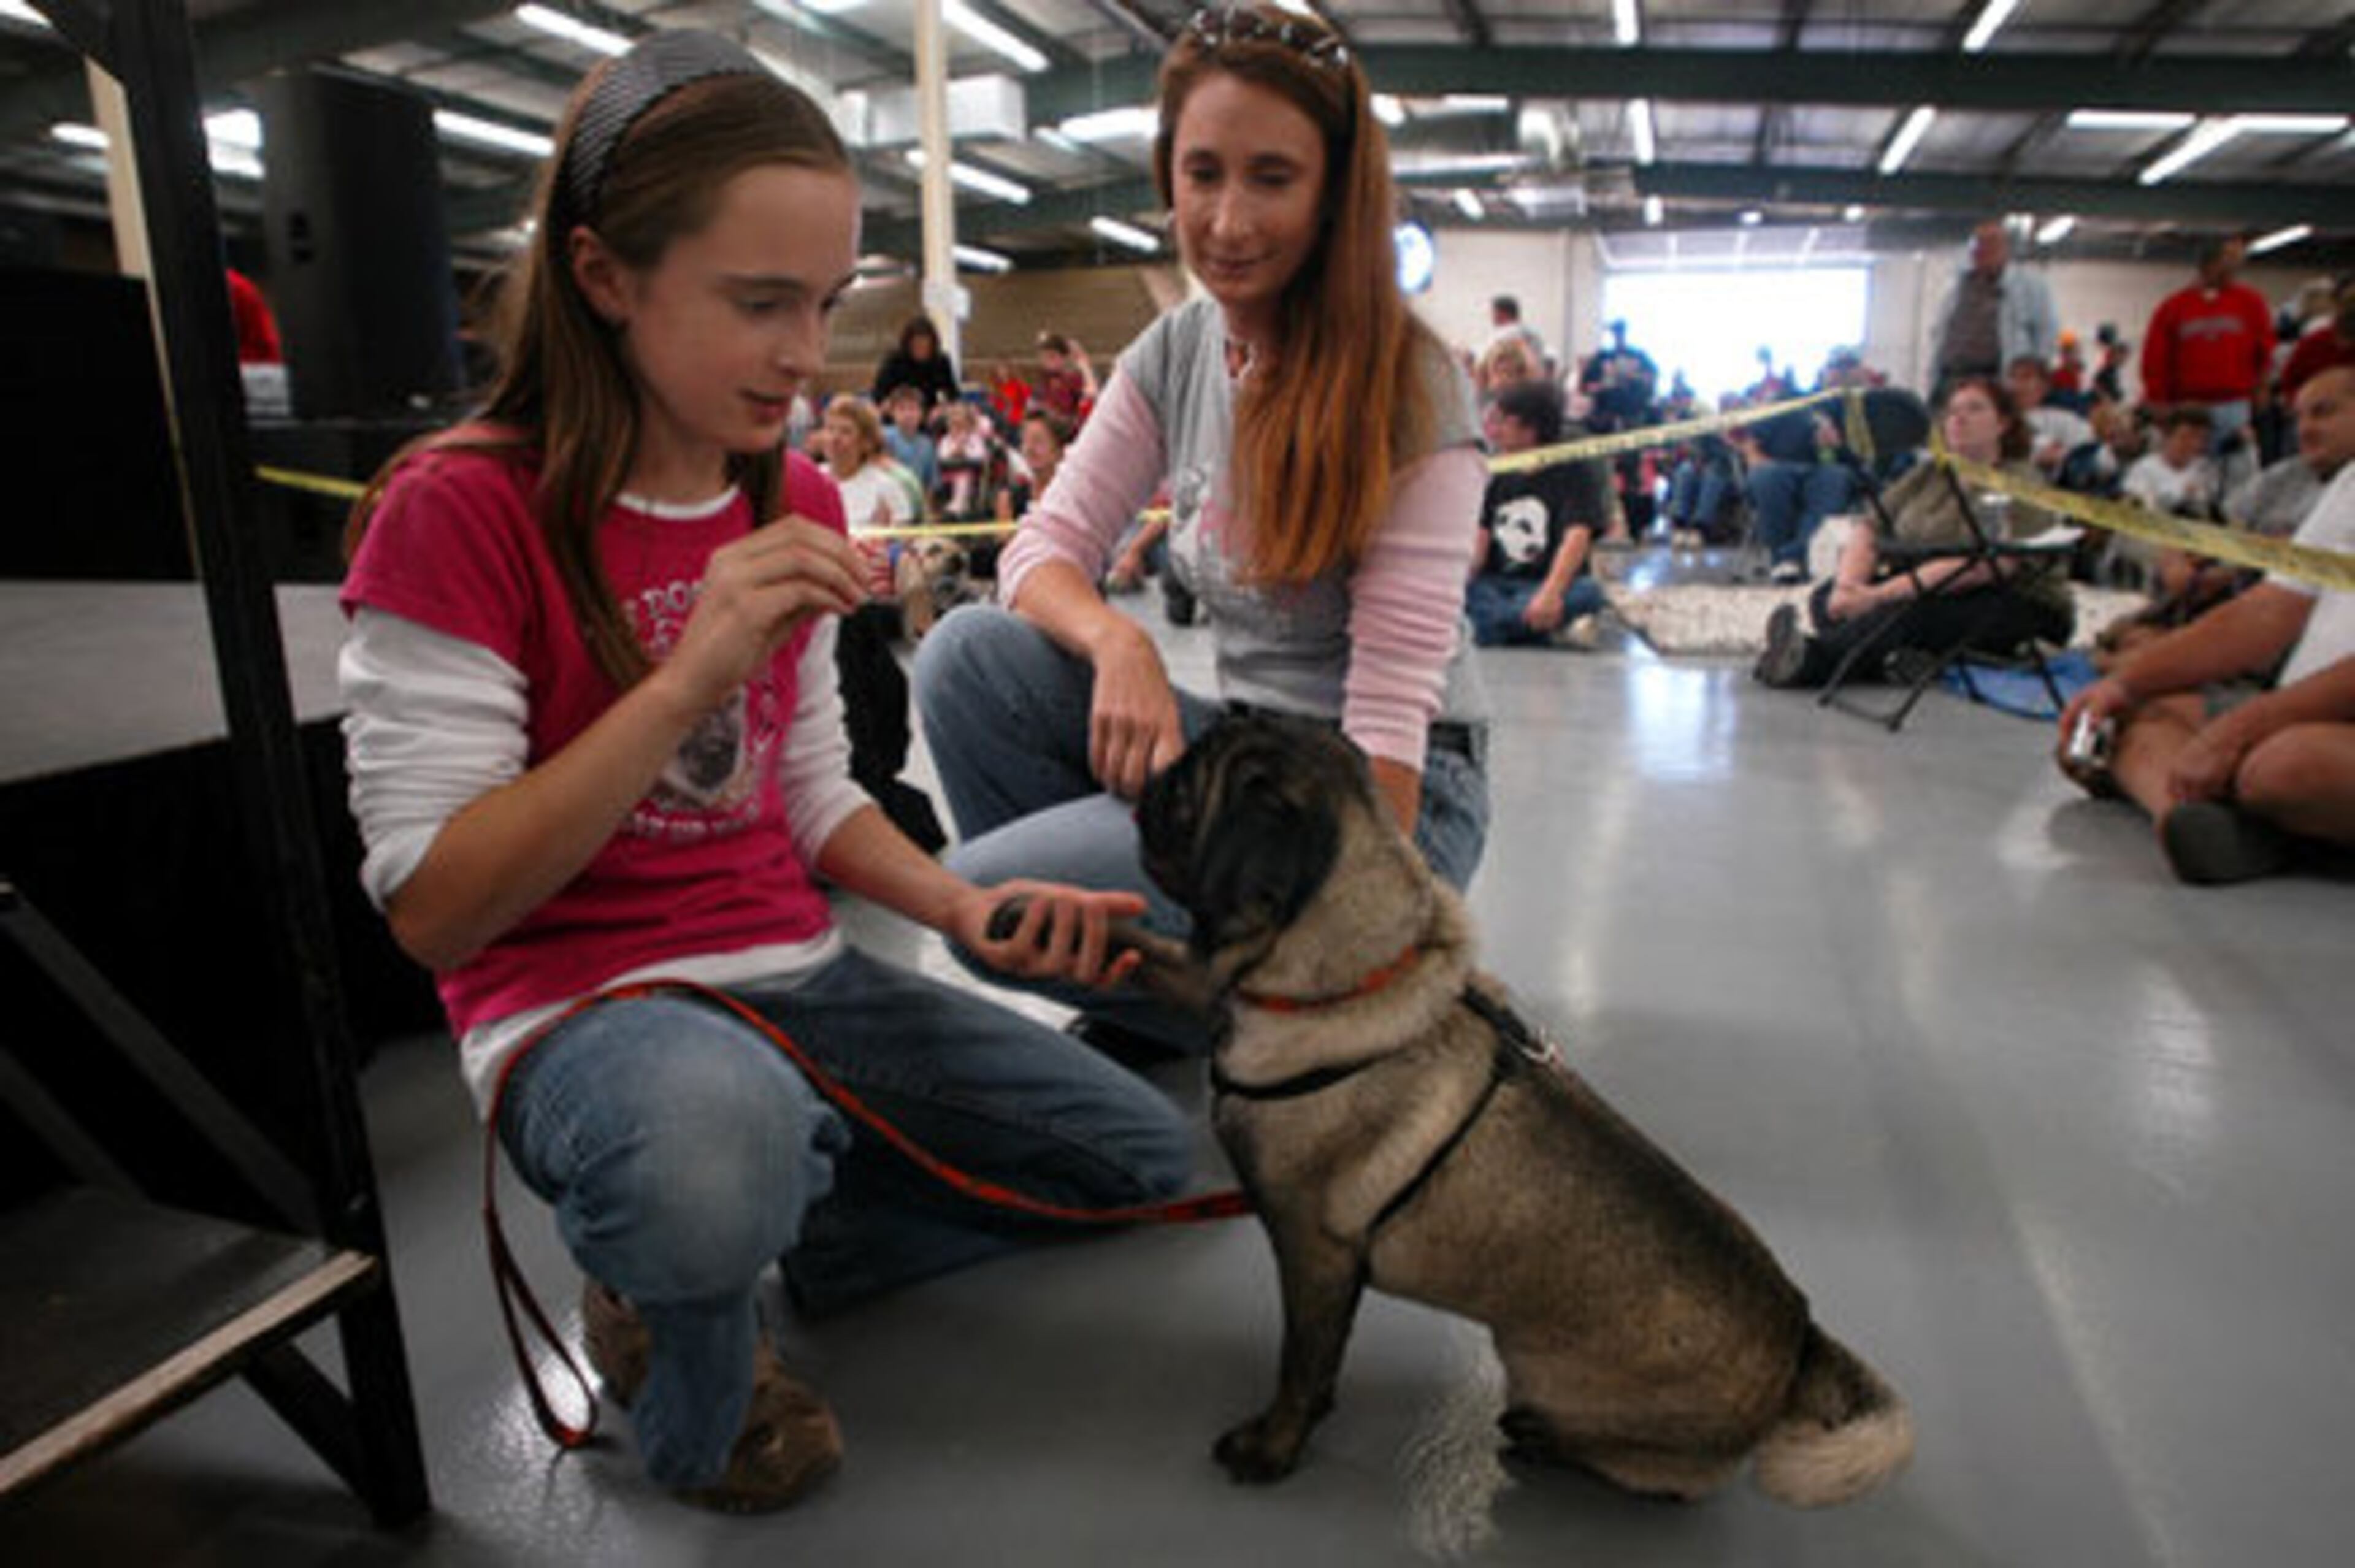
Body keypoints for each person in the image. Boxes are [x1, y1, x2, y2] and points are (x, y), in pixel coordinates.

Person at [334, 32, 1186, 1513]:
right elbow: (435, 913)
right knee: (708, 1145)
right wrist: (681, 681)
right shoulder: (457, 510)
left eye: (824, 303)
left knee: (1134, 1154)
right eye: (757, 305)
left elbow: (809, 798)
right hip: (585, 1016)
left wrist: (961, 910)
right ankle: (674, 1289)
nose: (808, 356)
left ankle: (771, 1228)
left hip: (795, 985)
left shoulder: (784, 491)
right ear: (605, 277)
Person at [913, 2, 1490, 1052]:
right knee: (966, 658)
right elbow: (1039, 551)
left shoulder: (1413, 388)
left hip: (1387, 799)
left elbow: (1393, 726)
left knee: (980, 898)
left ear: (1332, 193)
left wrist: (1362, 932)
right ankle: (1169, 999)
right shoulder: (1178, 349)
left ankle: (1228, 999)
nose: (1227, 222)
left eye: (1272, 178)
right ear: (1167, 176)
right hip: (1246, 746)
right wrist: (1117, 639)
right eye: (1203, 173)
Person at [2056, 391, 2355, 884]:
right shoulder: (2348, 485)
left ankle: (2245, 809)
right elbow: (2267, 611)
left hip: (2307, 731)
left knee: (2283, 765)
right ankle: (2203, 820)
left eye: (2325, 410)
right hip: (2297, 710)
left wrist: (2241, 730)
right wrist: (2122, 687)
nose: (2307, 427)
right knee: (2117, 719)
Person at [1755, 377, 2072, 689]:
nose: (1958, 419)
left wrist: (1879, 595)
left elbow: (1986, 566)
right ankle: (1898, 661)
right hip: (1931, 584)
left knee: (1901, 614)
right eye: (1951, 411)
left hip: (2013, 599)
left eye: (1974, 409)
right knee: (1827, 599)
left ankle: (1811, 658)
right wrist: (1848, 587)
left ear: (2003, 424)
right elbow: (1870, 526)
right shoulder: (1929, 474)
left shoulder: (2020, 482)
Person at [1466, 378, 1609, 649]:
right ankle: (1541, 629)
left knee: (1590, 592)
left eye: (1503, 421)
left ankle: (1499, 628)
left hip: (1550, 583)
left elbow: (1577, 537)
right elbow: (1481, 535)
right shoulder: (1494, 472)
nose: (1494, 431)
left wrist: (1551, 594)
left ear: (1530, 428)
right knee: (1460, 593)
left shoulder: (1574, 471)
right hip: (1497, 584)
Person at [2140, 235, 2275, 474]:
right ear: (2209, 263)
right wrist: (2158, 401)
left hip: (2234, 405)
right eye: (2229, 260)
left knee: (2236, 470)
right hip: (2186, 407)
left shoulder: (2252, 303)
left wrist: (2262, 388)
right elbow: (2155, 359)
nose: (2236, 267)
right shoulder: (2173, 307)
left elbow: (2264, 351)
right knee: (2186, 472)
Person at [1928, 221, 2059, 401]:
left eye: (1989, 244)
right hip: (1951, 377)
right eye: (1977, 244)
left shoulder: (2030, 285)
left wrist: (2032, 384)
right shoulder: (1959, 284)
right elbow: (1940, 332)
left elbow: (2047, 334)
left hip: (1995, 378)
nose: (1980, 250)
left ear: (2005, 250)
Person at [870, 313, 960, 410]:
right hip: (899, 411)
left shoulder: (941, 361)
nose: (921, 351)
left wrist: (943, 408)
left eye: (925, 347)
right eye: (916, 346)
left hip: (930, 411)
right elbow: (879, 395)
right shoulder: (894, 361)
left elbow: (952, 394)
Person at [1033, 332, 1097, 424]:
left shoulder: (1072, 380)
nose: (1046, 361)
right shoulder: (1043, 382)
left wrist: (1083, 363)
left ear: (1063, 358)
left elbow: (1091, 394)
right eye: (1043, 357)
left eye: (1052, 356)